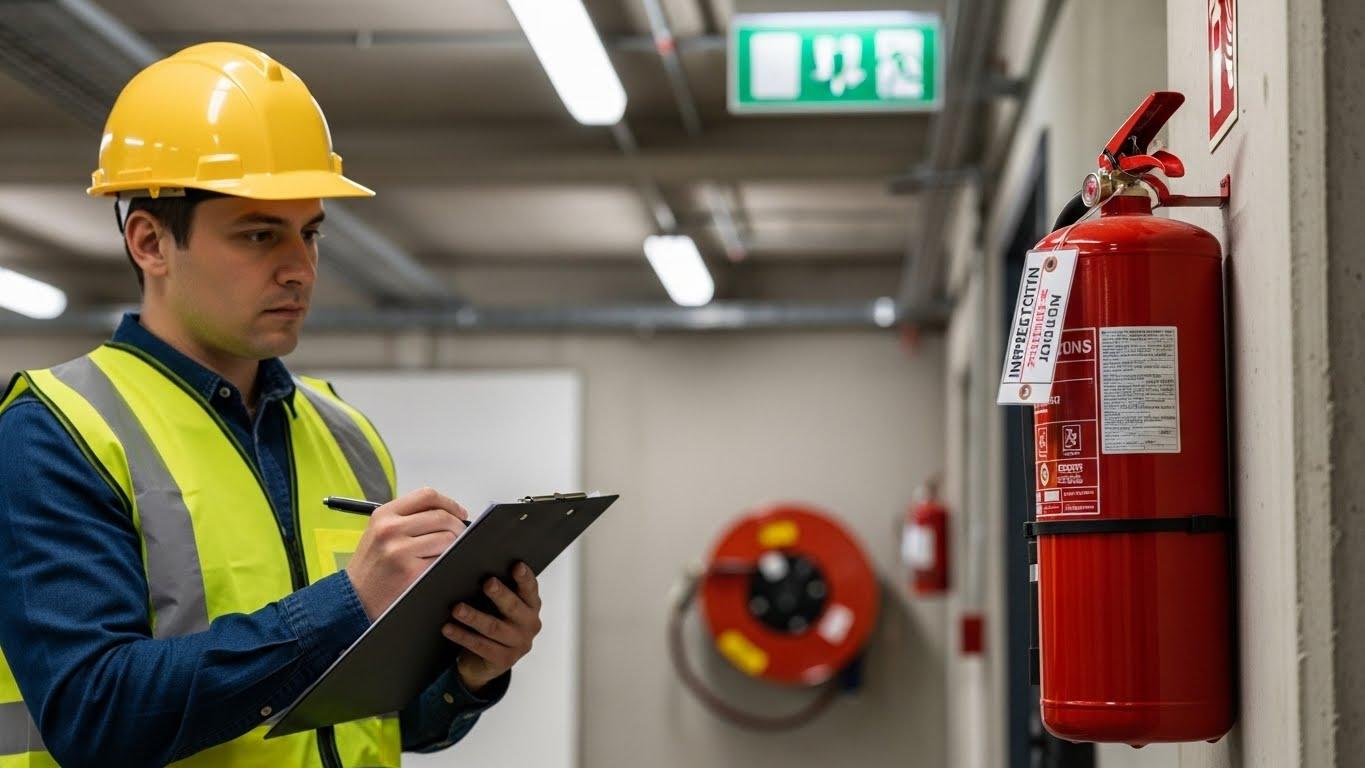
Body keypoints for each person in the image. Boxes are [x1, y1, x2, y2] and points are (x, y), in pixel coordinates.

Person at [0, 42, 543, 767]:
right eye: (259, 234)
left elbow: (377, 716)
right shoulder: (55, 430)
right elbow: (95, 715)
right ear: (149, 242)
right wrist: (345, 604)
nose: (300, 268)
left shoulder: (343, 433)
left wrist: (471, 670)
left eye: (310, 232)